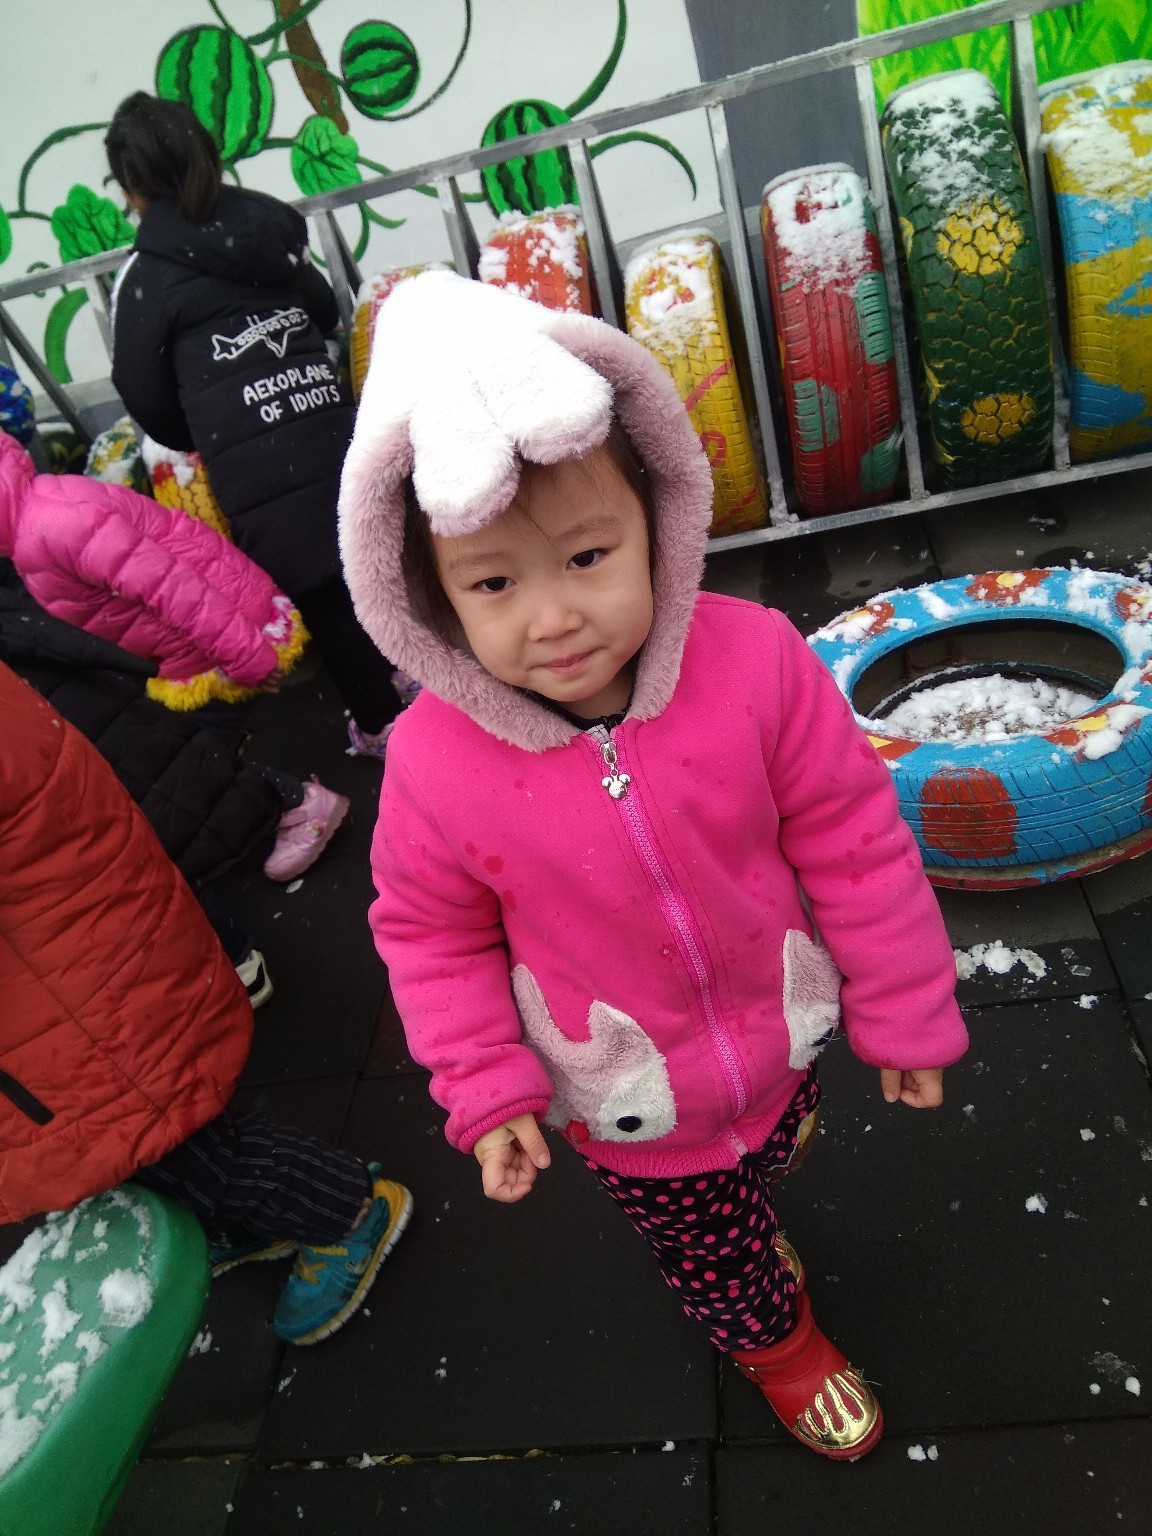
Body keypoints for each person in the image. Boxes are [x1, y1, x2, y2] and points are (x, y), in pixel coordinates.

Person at [339, 272, 969, 1460]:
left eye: (588, 555)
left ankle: (763, 1172)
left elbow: (851, 836)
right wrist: (486, 1084)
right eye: (494, 583)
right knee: (713, 1250)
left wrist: (901, 1004)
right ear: (429, 600)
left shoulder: (756, 662)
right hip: (633, 1106)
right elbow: (430, 934)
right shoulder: (433, 764)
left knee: (775, 1146)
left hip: (784, 1031)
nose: (552, 618)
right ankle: (778, 1344)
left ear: (659, 517)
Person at [0, 662, 411, 1345]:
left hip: (60, 991)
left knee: (162, 1141)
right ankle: (250, 1218)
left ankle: (345, 1210)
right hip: (58, 974)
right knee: (138, 1138)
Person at [105, 91, 405, 759]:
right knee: (383, 564)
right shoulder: (267, 231)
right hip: (330, 432)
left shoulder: (146, 278)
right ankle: (435, 687)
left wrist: (211, 430)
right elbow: (323, 310)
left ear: (131, 188)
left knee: (327, 596)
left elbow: (143, 394)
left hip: (258, 470)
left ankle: (386, 728)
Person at [0, 429, 347, 882]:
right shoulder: (40, 514)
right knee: (190, 751)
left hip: (209, 647)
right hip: (195, 643)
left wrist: (246, 657)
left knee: (197, 753)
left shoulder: (52, 526)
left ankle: (301, 808)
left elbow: (174, 589)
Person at [0, 573, 278, 1006]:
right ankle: (235, 962)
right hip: (80, 733)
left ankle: (233, 964)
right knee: (158, 839)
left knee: (150, 849)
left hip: (70, 761)